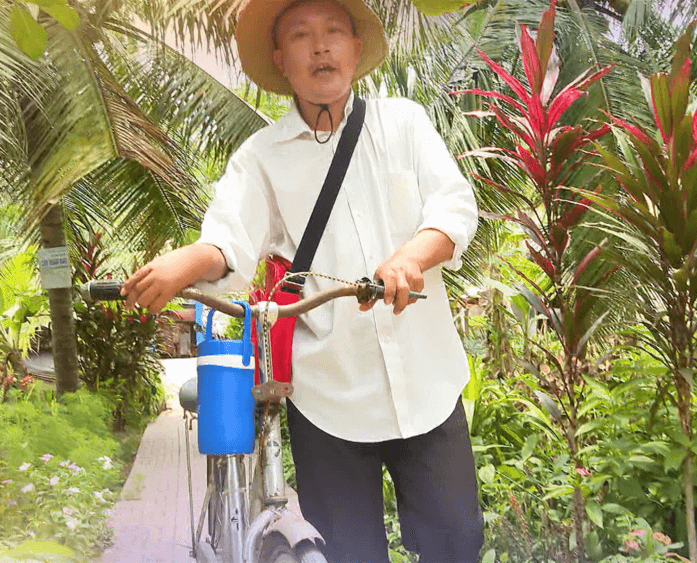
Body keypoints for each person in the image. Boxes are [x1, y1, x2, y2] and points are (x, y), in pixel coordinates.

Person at [119, 0, 483, 560]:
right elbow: (230, 241)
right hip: (328, 398)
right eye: (302, 36)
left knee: (456, 545)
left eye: (335, 32)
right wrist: (186, 262)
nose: (320, 46)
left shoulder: (404, 124)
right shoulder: (260, 160)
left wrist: (412, 255)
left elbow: (454, 206)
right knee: (347, 553)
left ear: (356, 49)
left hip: (428, 383)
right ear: (281, 60)